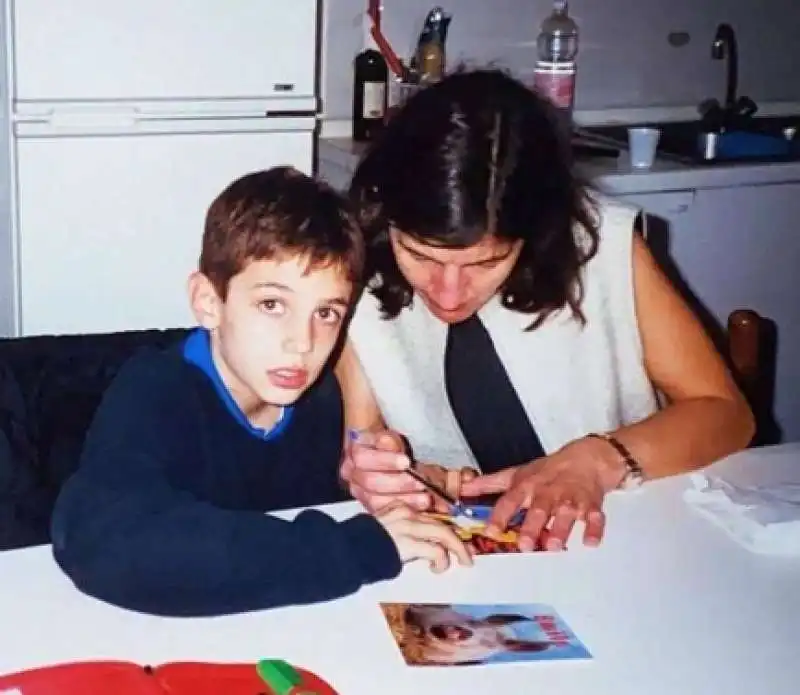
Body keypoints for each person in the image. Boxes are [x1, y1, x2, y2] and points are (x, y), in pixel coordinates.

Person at [336, 69, 754, 553]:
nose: (448, 293)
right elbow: (361, 446)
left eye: (488, 262)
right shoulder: (356, 271)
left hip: (625, 535)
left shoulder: (603, 249)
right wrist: (380, 478)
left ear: (535, 233)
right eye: (421, 256)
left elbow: (726, 414)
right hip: (467, 552)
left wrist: (601, 458)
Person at [50, 167, 471, 618]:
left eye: (326, 313)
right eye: (272, 305)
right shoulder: (156, 391)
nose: (303, 342)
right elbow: (108, 540)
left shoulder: (323, 399)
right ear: (209, 301)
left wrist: (423, 482)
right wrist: (358, 548)